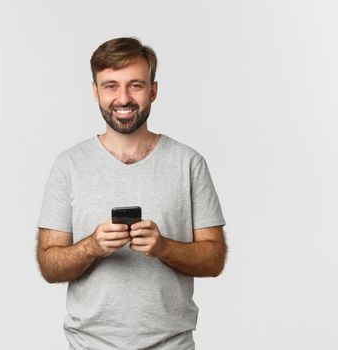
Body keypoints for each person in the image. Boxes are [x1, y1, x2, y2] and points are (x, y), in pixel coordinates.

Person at [36, 37, 227, 350]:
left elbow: (214, 258)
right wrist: (91, 247)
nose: (123, 98)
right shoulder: (68, 165)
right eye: (110, 85)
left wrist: (163, 246)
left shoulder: (188, 163)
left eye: (135, 85)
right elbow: (49, 264)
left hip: (172, 345)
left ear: (153, 91)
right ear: (95, 91)